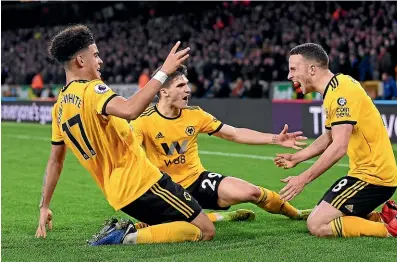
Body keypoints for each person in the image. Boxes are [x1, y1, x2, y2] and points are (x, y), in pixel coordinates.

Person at [35, 24, 216, 246]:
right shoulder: (92, 90)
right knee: (205, 230)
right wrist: (164, 72)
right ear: (81, 61)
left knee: (175, 223)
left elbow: (55, 161)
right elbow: (130, 109)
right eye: (96, 55)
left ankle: (124, 231)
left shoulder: (59, 108)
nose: (100, 61)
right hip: (144, 182)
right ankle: (125, 236)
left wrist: (44, 206)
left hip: (118, 194)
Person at [130, 65, 313, 226]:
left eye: (187, 84)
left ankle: (296, 213)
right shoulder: (143, 121)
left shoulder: (196, 115)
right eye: (180, 86)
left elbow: (234, 133)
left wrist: (275, 139)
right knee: (182, 225)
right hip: (167, 190)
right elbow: (130, 154)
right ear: (164, 92)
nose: (188, 90)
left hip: (197, 181)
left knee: (252, 192)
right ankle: (222, 217)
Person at [274, 43, 397, 238]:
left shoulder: (341, 93)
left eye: (293, 69)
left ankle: (392, 229)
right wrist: (297, 158)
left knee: (317, 224)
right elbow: (329, 137)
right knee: (322, 214)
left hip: (374, 177)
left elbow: (339, 146)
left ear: (312, 69)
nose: (289, 76)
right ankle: (386, 217)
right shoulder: (335, 89)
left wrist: (303, 179)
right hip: (363, 174)